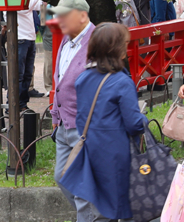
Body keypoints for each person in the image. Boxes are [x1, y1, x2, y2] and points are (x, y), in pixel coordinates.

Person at [59, 23, 147, 221]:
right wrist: (145, 119)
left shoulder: (83, 78)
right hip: (116, 156)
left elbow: (82, 119)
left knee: (94, 209)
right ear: (117, 50)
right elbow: (134, 124)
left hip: (91, 151)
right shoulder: (121, 82)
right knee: (116, 208)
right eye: (124, 45)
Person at [51, 0, 99, 222]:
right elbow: (59, 81)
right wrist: (55, 115)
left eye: (64, 15)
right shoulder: (66, 40)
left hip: (85, 125)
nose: (59, 20)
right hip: (64, 124)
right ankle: (98, 213)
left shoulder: (97, 41)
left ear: (82, 16)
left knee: (82, 187)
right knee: (62, 177)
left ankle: (93, 216)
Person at [18, 0, 46, 106]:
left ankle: (23, 104)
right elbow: (25, 6)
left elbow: (42, 6)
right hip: (19, 38)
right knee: (18, 74)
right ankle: (14, 104)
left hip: (30, 38)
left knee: (28, 74)